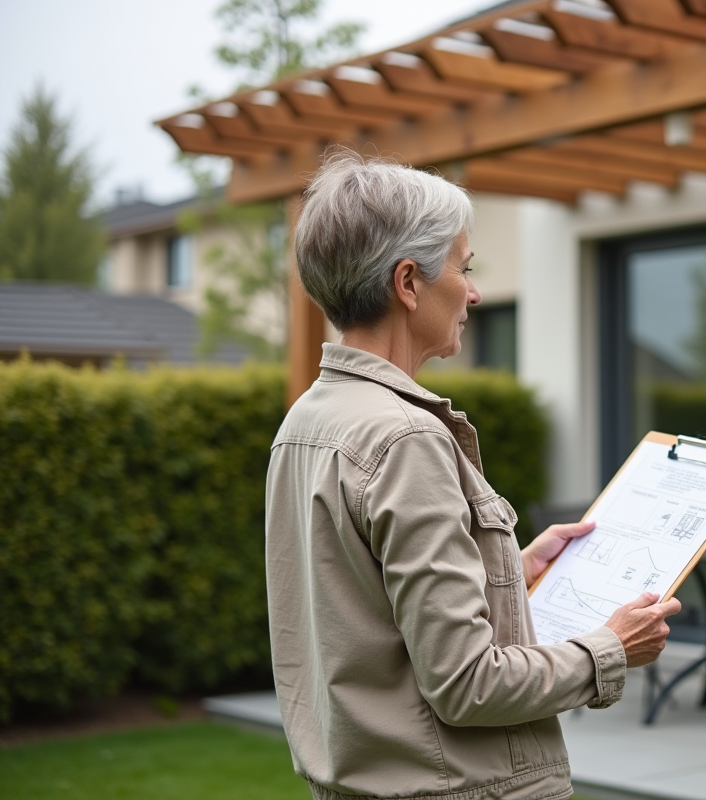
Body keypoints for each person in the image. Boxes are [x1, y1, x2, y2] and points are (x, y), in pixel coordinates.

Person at [265, 150, 681, 800]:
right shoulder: (405, 437)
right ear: (408, 283)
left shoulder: (307, 422)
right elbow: (466, 684)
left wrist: (510, 568)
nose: (475, 292)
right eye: (464, 267)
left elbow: (372, 612)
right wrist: (611, 648)